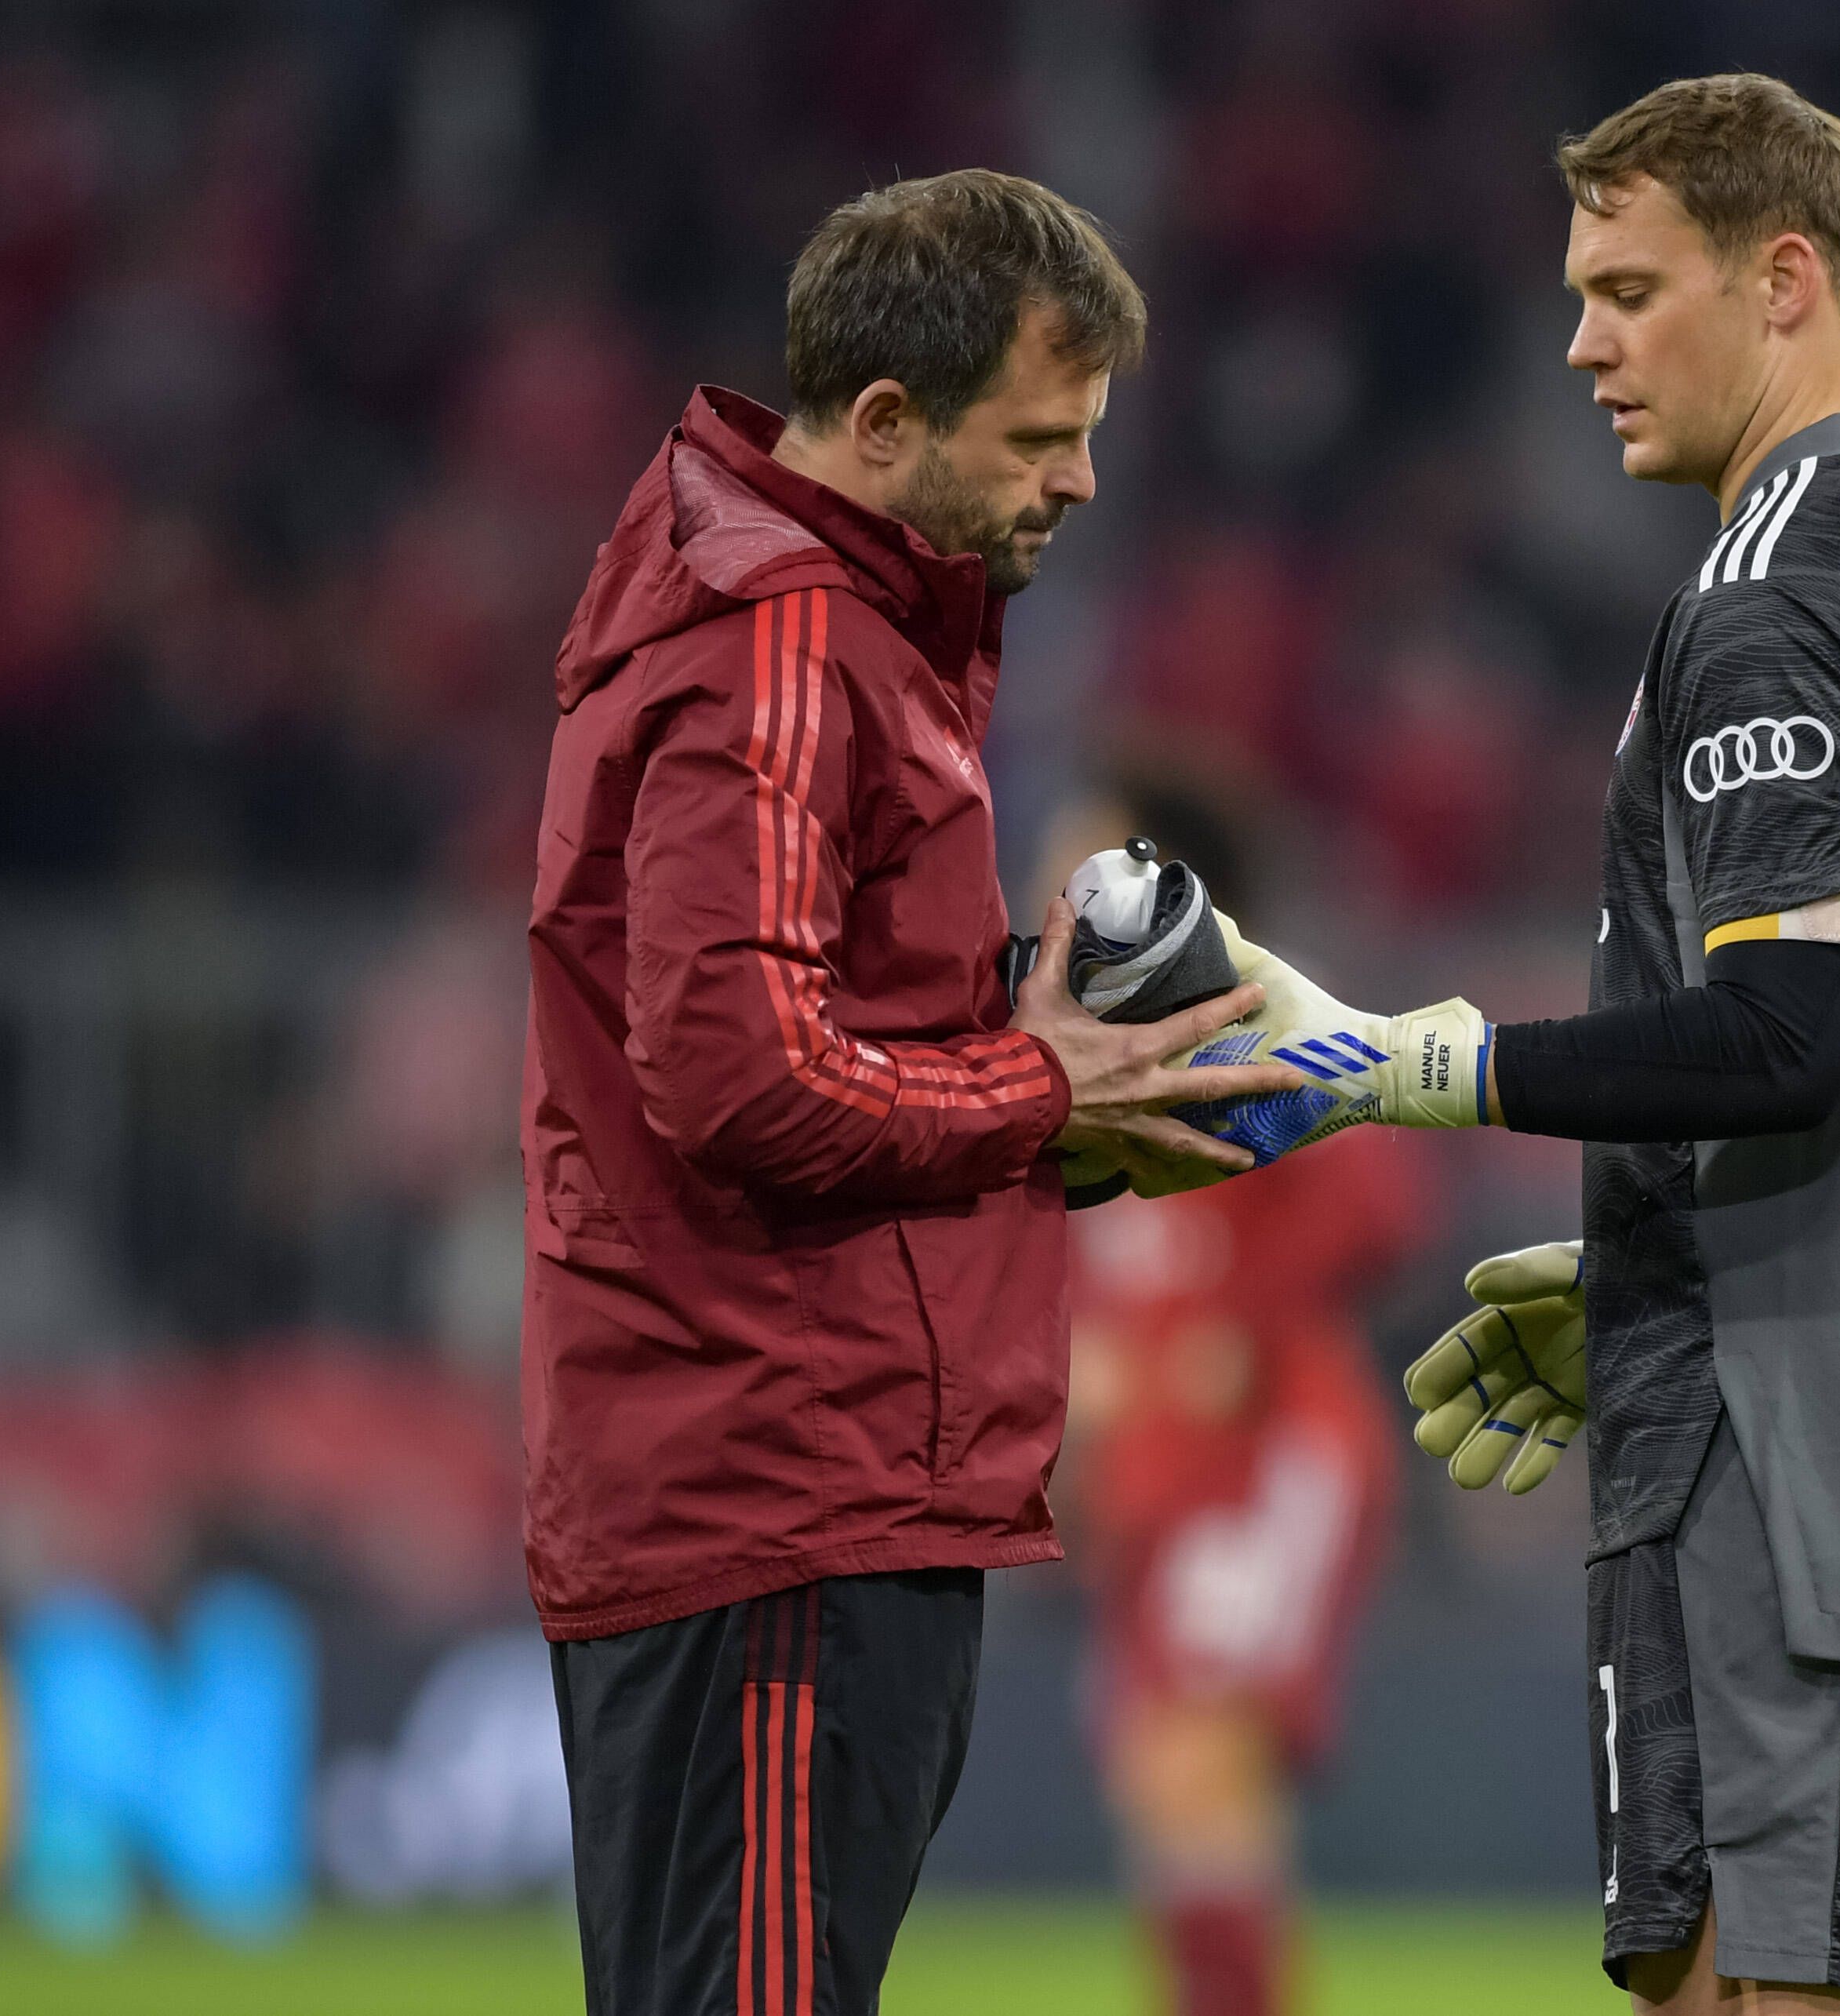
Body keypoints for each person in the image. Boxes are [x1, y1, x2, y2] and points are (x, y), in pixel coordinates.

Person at [1169, 75, 1840, 2014]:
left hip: (1790, 1493)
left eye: (1621, 286)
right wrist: (1648, 1262)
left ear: (1780, 280)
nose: (1578, 340)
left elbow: (1779, 1031)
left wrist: (1406, 1064)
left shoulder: (1776, 595)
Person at [521, 172, 1301, 2016]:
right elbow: (737, 1072)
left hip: (761, 1467)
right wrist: (1043, 1082)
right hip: (781, 1478)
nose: (1081, 480)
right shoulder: (788, 646)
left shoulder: (807, 629)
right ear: (884, 424)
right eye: (1042, 436)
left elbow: (812, 1052)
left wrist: (1063, 1118)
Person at [1045, 778, 1426, 2016]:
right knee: (1168, 1793)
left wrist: (1220, 1331)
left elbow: (1376, 1207)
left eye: (1081, 859)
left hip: (1268, 1451)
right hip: (1160, 1468)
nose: (1055, 884)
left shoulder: (1241, 1013)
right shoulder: (1064, 1040)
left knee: (1197, 1765)